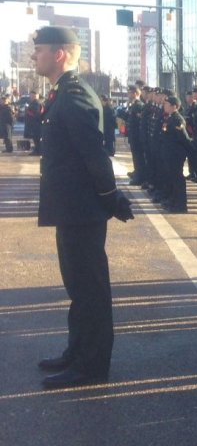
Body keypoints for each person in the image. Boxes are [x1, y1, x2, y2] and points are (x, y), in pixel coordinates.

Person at [32, 26, 134, 389]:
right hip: (71, 210)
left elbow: (95, 157)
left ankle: (91, 365)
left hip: (83, 211)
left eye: (39, 50)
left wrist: (111, 200)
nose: (34, 56)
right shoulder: (63, 93)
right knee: (78, 287)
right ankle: (78, 351)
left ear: (59, 54)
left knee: (90, 290)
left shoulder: (74, 97)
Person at [159, 94, 190, 212]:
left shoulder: (178, 120)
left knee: (177, 179)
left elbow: (183, 138)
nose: (164, 106)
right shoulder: (170, 118)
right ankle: (173, 201)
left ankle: (180, 205)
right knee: (171, 179)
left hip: (175, 155)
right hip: (168, 153)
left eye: (167, 105)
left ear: (174, 106)